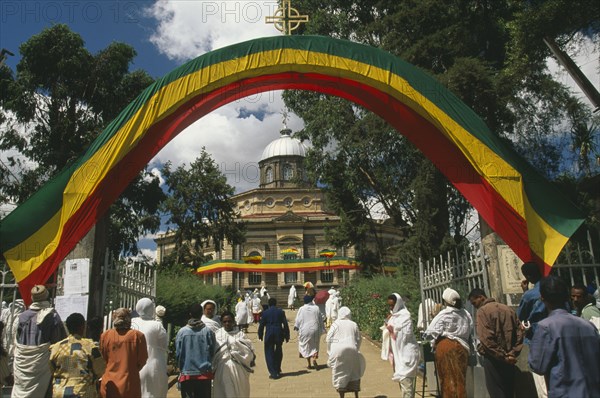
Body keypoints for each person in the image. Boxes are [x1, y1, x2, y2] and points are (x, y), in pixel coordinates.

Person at [529, 276, 600, 398]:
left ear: (542, 298)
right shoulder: (588, 325)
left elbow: (537, 365)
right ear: (567, 297)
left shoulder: (546, 327)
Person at [12, 285, 67, 398]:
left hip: (22, 365)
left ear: (32, 298)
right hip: (43, 365)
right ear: (46, 297)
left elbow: (17, 341)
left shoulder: (21, 317)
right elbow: (59, 343)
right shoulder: (52, 316)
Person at [468, 288, 523, 398]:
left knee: (496, 392)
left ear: (481, 297)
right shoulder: (508, 309)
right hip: (509, 359)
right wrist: (512, 353)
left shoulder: (482, 312)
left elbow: (487, 340)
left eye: (474, 303)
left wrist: (503, 356)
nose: (474, 306)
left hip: (493, 359)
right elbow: (520, 332)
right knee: (509, 392)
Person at [423, 288, 473, 398]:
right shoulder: (466, 314)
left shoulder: (444, 314)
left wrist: (432, 342)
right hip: (462, 348)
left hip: (445, 347)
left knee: (447, 379)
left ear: (445, 301)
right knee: (460, 378)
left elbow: (430, 332)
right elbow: (470, 330)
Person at [49, 312, 106, 398]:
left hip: (60, 393)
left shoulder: (56, 347)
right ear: (82, 327)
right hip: (82, 392)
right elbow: (100, 370)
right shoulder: (89, 346)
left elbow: (52, 369)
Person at [99, 308, 148, 398]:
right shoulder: (138, 336)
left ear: (114, 318)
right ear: (129, 319)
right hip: (130, 383)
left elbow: (103, 358)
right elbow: (142, 360)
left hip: (110, 383)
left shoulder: (105, 336)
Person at [517, 262, 548, 398]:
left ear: (528, 276)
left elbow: (521, 316)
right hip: (558, 335)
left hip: (538, 337)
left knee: (541, 380)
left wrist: (525, 291)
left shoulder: (530, 295)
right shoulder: (554, 287)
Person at [175, 303, 218, 398]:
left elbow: (178, 354)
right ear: (201, 313)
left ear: (190, 314)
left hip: (187, 374)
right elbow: (212, 351)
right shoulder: (208, 332)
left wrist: (181, 368)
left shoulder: (182, 332)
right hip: (204, 374)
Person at [381, 293, 419, 398]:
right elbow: (389, 326)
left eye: (392, 305)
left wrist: (392, 328)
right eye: (389, 305)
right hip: (398, 354)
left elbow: (405, 335)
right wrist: (388, 323)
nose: (391, 307)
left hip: (406, 353)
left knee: (406, 383)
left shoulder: (405, 316)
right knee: (403, 384)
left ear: (398, 304)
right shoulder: (393, 316)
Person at [131, 298, 168, 398]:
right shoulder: (157, 325)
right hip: (153, 366)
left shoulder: (132, 323)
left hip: (134, 366)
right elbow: (164, 345)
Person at [213, 311, 256, 397]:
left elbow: (248, 352)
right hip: (222, 368)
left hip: (238, 369)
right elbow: (213, 352)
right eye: (225, 322)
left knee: (239, 392)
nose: (227, 323)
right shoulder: (217, 335)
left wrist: (235, 350)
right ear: (221, 323)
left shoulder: (240, 335)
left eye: (229, 321)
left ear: (233, 322)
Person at [327, 306, 365, 398]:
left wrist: (329, 351)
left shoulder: (335, 324)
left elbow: (328, 338)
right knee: (354, 372)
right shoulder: (353, 324)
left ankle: (342, 396)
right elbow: (359, 339)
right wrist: (356, 349)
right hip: (352, 349)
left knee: (339, 372)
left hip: (337, 351)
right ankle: (356, 395)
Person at [258, 298, 290, 379]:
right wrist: (287, 335)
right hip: (279, 332)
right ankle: (277, 368)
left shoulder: (265, 313)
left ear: (268, 304)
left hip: (269, 333)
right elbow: (285, 324)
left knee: (269, 352)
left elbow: (261, 325)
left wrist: (260, 334)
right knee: (278, 351)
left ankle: (273, 372)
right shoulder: (281, 312)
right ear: (276, 304)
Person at [295, 295, 325, 370]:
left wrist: (296, 326)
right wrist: (322, 329)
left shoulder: (301, 309)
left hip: (305, 330)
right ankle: (314, 359)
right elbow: (320, 319)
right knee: (315, 345)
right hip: (315, 329)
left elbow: (298, 320)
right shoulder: (316, 308)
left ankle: (309, 364)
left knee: (306, 346)